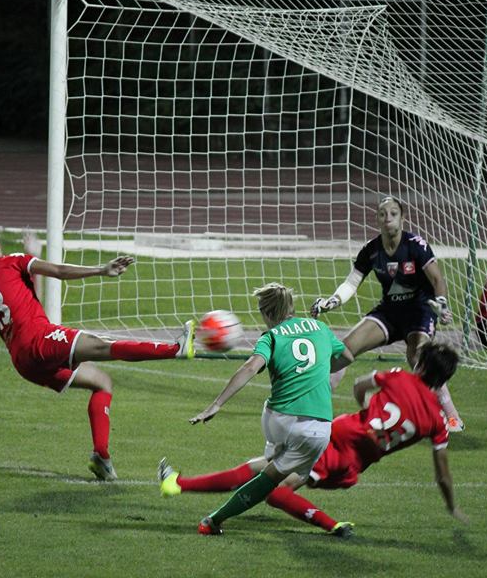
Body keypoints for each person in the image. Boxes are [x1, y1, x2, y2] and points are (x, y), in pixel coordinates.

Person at [159, 342, 467, 538]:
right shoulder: (437, 421)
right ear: (444, 379)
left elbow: (360, 385)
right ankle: (180, 486)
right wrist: (452, 506)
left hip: (336, 439)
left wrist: (365, 409)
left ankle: (332, 526)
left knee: (273, 487)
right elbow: (443, 474)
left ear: (421, 366)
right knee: (265, 469)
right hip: (352, 462)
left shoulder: (399, 377)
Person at [0, 227, 195, 481]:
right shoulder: (12, 261)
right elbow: (59, 271)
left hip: (23, 361)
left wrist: (31, 265)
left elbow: (30, 301)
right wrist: (101, 270)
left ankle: (101, 458)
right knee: (103, 346)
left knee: (102, 382)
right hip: (39, 340)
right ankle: (176, 349)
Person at [185, 282, 354, 535]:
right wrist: (319, 372)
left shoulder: (272, 336)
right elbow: (347, 357)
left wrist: (216, 404)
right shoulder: (320, 328)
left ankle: (214, 517)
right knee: (275, 477)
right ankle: (212, 519)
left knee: (271, 471)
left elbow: (250, 367)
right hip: (318, 428)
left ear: (267, 312)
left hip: (279, 420)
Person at [310, 196, 464, 431]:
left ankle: (451, 416)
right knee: (344, 349)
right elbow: (351, 283)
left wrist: (442, 304)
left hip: (420, 311)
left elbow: (437, 279)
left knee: (419, 358)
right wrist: (332, 301)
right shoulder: (371, 250)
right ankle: (315, 405)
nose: (388, 218)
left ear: (402, 218)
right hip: (390, 312)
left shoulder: (416, 245)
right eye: (382, 214)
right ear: (377, 219)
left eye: (393, 213)